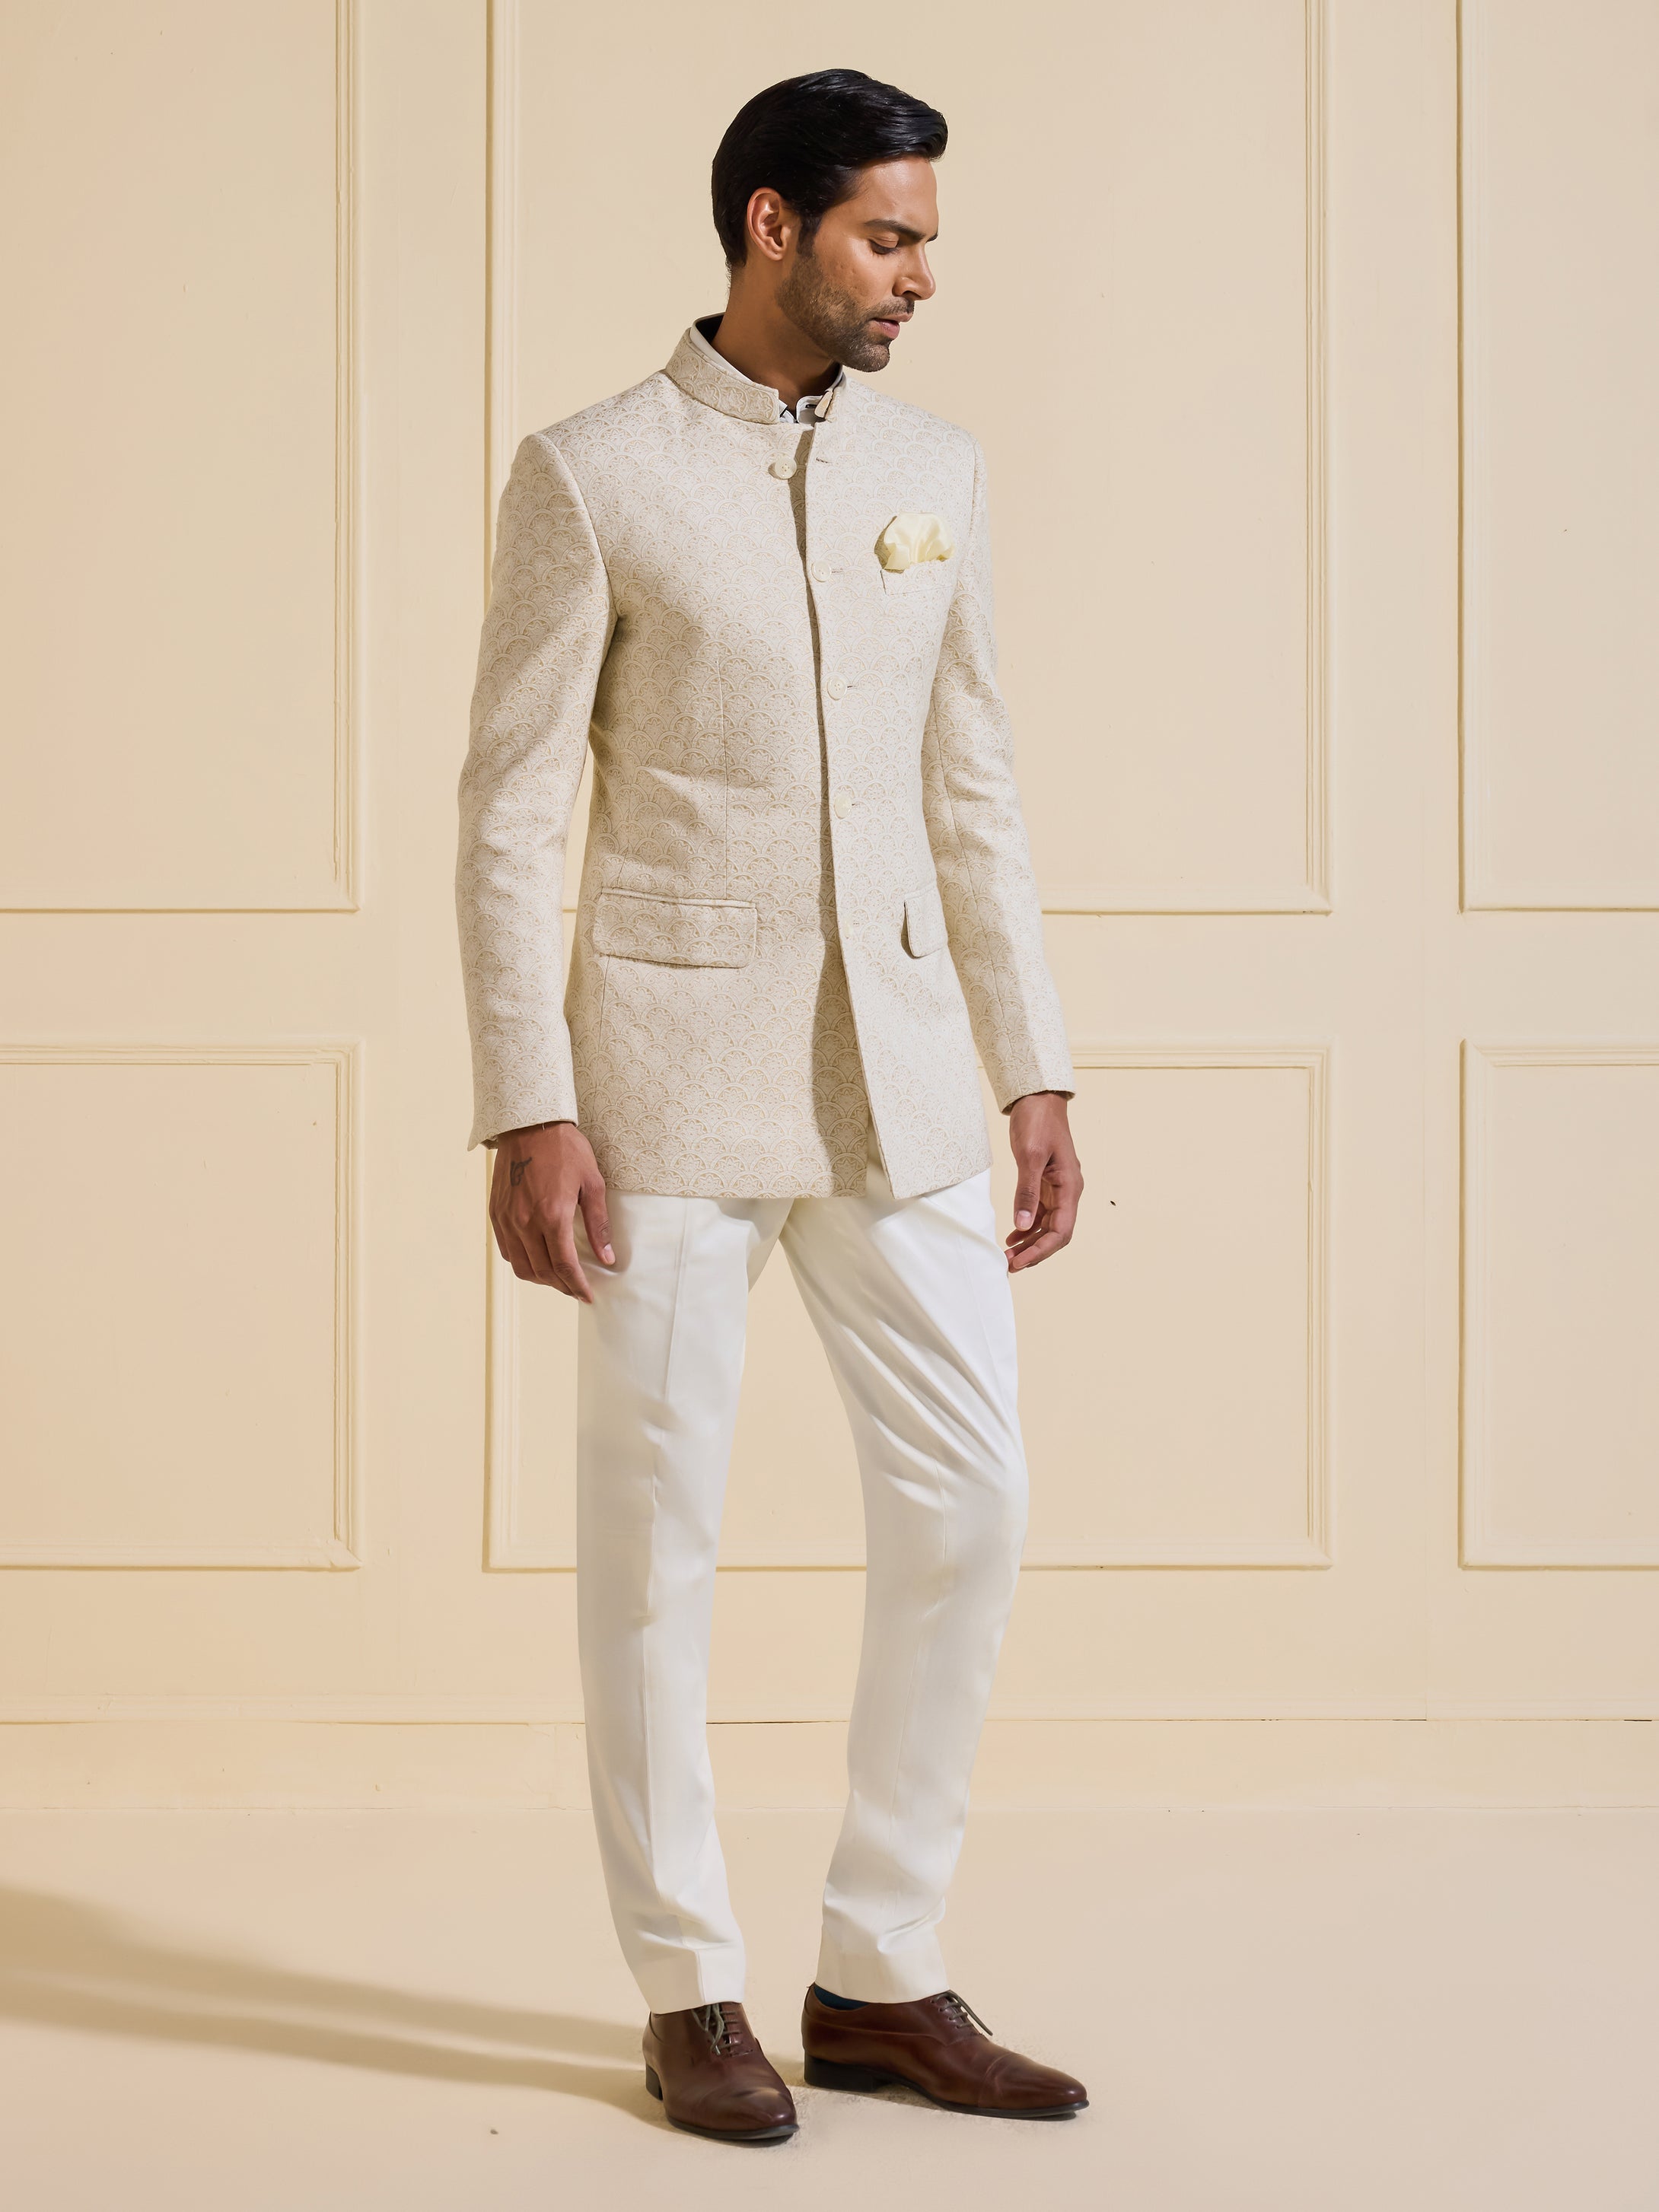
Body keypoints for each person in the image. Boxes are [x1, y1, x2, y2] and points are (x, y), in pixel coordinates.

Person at [456, 67, 1088, 2144]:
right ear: (769, 225)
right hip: (657, 1084)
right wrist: (528, 1101)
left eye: (925, 241)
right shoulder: (592, 473)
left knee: (971, 1500)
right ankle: (687, 1984)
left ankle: (879, 1969)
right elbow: (509, 810)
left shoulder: (934, 467)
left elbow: (972, 783)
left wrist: (1030, 1061)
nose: (919, 275)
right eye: (887, 237)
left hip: (899, 1081)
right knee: (654, 1541)